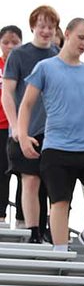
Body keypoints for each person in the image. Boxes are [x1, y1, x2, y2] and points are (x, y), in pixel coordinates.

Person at [15, 18, 84, 260]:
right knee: (60, 202)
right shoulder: (46, 67)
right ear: (69, 33)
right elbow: (27, 104)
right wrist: (22, 135)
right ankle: (60, 254)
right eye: (81, 37)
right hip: (56, 147)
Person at [2, 6, 59, 243]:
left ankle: (51, 232)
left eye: (50, 27)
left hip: (55, 130)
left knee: (53, 184)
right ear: (33, 27)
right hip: (27, 127)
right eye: (42, 26)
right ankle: (33, 231)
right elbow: (7, 93)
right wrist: (16, 127)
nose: (46, 31)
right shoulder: (19, 55)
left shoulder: (59, 54)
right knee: (30, 179)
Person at [0, 25, 23, 226]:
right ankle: (1, 216)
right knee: (1, 172)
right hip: (0, 126)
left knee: (23, 173)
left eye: (15, 43)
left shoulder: (24, 65)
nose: (10, 46)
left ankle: (22, 219)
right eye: (6, 42)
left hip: (20, 126)